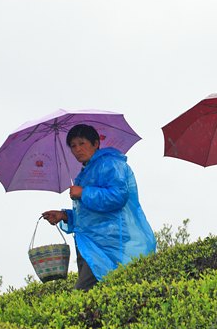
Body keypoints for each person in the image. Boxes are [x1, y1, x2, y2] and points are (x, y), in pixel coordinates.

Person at [41, 124, 156, 290]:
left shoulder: (110, 164)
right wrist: (65, 216)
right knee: (99, 294)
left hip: (108, 244)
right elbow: (90, 215)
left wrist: (84, 192)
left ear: (95, 143)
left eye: (82, 143)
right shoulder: (85, 172)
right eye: (73, 146)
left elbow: (117, 197)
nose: (77, 149)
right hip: (90, 243)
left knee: (83, 292)